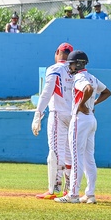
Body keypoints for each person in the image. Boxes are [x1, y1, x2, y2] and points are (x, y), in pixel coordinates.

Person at [56, 50, 111, 204]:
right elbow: (107, 92)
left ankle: (73, 194)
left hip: (80, 120)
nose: (70, 67)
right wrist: (92, 104)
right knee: (89, 158)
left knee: (77, 158)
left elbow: (87, 89)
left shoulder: (79, 78)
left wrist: (81, 105)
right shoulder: (92, 77)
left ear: (79, 64)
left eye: (72, 64)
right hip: (91, 120)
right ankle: (90, 194)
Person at [31, 42, 74, 199]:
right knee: (70, 153)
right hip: (74, 115)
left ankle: (54, 189)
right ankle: (69, 189)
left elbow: (47, 92)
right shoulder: (75, 70)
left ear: (57, 53)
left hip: (58, 113)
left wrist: (38, 114)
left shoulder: (54, 69)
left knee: (55, 151)